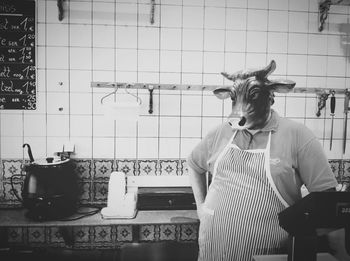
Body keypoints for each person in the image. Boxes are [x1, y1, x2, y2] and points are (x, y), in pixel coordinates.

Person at [187, 60, 349, 261]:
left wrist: (339, 253)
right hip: (214, 251)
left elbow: (327, 201)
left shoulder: (298, 135)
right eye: (234, 98)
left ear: (270, 97)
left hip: (269, 254)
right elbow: (194, 164)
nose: (240, 110)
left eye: (253, 96)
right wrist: (201, 209)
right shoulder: (221, 133)